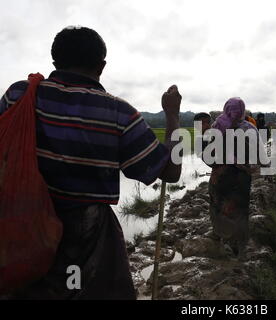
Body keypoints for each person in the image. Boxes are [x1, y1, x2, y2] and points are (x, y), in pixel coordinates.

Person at [0, 26, 182, 300]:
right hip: (85, 237)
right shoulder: (118, 113)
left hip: (19, 224)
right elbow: (171, 171)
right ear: (101, 66)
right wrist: (172, 116)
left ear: (55, 62)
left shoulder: (20, 95)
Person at [207, 98, 262, 259]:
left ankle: (221, 239)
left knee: (218, 206)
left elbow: (210, 155)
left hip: (221, 176)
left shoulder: (216, 127)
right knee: (240, 210)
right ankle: (241, 248)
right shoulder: (250, 128)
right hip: (241, 178)